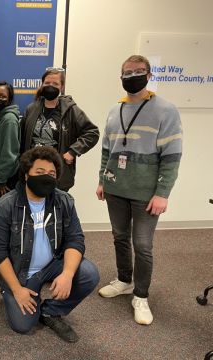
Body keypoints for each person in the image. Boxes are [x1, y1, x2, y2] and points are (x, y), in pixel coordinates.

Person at [96, 55, 182, 325]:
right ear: (120, 76)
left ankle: (141, 296)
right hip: (115, 187)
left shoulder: (165, 110)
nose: (132, 75)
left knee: (142, 245)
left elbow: (172, 156)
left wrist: (163, 193)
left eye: (138, 71)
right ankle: (124, 280)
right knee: (120, 237)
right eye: (127, 72)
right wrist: (103, 180)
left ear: (149, 75)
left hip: (146, 193)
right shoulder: (114, 109)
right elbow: (107, 150)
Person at [0, 146, 99, 343]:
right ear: (25, 175)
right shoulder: (6, 206)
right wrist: (17, 290)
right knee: (23, 325)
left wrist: (67, 274)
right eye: (39, 172)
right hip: (21, 273)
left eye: (51, 173)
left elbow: (75, 239)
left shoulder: (64, 201)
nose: (46, 177)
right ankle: (18, 295)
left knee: (89, 274)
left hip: (53, 264)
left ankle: (50, 311)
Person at [20, 68, 99, 191]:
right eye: (47, 83)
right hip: (33, 173)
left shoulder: (70, 110)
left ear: (61, 87)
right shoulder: (31, 109)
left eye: (55, 84)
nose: (50, 86)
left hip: (58, 176)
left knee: (56, 209)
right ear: (42, 85)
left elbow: (92, 132)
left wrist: (73, 151)